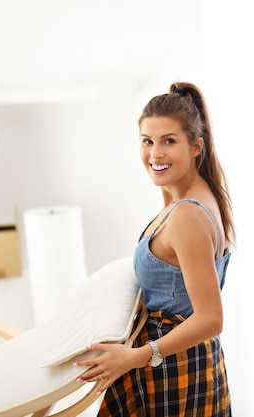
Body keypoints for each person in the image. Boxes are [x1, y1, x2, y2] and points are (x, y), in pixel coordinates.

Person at [75, 82, 233, 416]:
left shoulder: (188, 215)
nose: (155, 154)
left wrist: (133, 357)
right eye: (147, 141)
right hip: (182, 360)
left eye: (169, 141)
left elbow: (210, 318)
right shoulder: (185, 197)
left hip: (176, 367)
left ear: (196, 147)